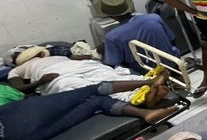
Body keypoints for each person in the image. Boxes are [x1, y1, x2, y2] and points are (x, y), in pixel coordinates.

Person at [0, 82, 177, 140]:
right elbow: (19, 91)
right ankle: (149, 82)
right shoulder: (18, 69)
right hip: (11, 116)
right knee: (91, 90)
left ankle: (147, 113)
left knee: (95, 102)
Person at [7, 46, 171, 107]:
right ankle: (146, 89)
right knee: (102, 83)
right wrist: (40, 81)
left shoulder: (52, 57)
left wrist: (88, 56)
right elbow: (18, 88)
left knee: (105, 80)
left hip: (74, 70)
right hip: (62, 76)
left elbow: (79, 58)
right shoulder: (18, 70)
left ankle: (145, 93)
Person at [98, 0, 180, 72]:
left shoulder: (112, 37)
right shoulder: (154, 18)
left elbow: (113, 64)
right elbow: (172, 40)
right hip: (173, 65)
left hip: (147, 73)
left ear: (109, 15)